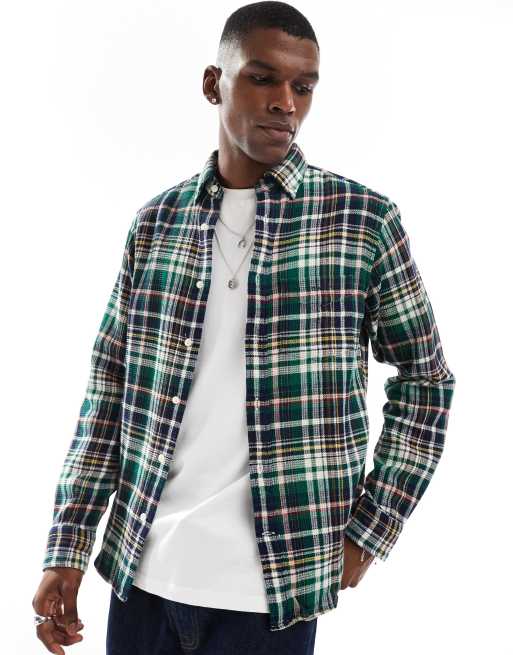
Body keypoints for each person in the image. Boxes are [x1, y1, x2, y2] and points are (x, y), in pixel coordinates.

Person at [32, 2, 456, 653]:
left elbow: (427, 382)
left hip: (270, 600)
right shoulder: (157, 224)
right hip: (141, 580)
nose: (285, 102)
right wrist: (68, 546)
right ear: (214, 84)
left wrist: (370, 531)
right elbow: (108, 391)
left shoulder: (361, 222)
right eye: (262, 78)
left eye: (303, 86)